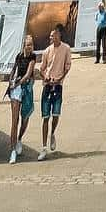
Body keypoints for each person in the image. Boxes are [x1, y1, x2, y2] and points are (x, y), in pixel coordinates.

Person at [37, 25, 73, 160]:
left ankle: (52, 133)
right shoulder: (47, 51)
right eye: (50, 36)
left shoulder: (66, 49)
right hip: (47, 85)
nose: (51, 38)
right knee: (45, 117)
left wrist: (60, 78)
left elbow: (67, 66)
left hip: (58, 86)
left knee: (56, 114)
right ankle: (44, 147)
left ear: (59, 36)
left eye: (53, 35)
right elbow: (41, 68)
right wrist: (45, 77)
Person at [6, 32, 36, 163]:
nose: (29, 47)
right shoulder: (19, 56)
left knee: (25, 117)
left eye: (31, 45)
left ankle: (19, 138)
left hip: (26, 87)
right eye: (28, 45)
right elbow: (13, 70)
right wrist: (11, 82)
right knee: (14, 120)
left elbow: (28, 74)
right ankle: (12, 150)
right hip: (16, 89)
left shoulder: (33, 57)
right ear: (23, 46)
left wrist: (18, 83)